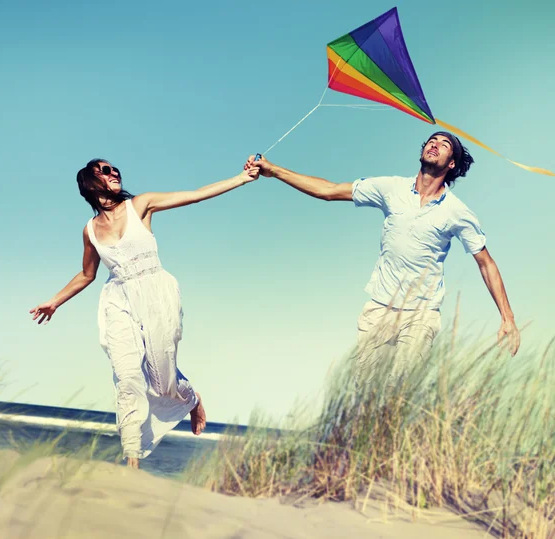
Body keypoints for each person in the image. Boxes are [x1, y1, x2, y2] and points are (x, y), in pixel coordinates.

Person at [246, 132, 520, 391]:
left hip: (421, 314)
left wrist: (507, 318)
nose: (434, 144)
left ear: (451, 163)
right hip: (379, 309)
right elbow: (328, 190)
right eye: (431, 140)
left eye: (444, 144)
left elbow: (486, 263)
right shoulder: (391, 188)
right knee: (364, 391)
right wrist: (276, 171)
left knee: (400, 390)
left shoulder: (457, 211)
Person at [31, 159, 258, 468]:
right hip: (118, 299)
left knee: (162, 379)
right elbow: (86, 275)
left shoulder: (142, 205)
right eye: (105, 170)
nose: (115, 173)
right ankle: (131, 460)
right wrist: (55, 301)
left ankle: (190, 397)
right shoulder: (90, 231)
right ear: (89, 181)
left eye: (115, 169)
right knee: (126, 378)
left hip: (156, 294)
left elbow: (196, 194)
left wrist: (242, 178)